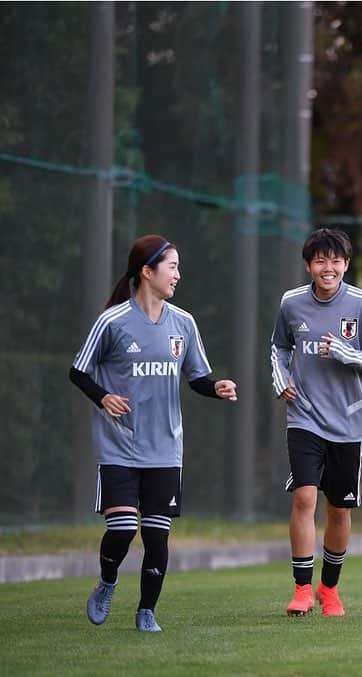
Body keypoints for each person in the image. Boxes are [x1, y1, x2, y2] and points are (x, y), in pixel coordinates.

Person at [70, 234, 237, 632]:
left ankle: (147, 611)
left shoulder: (184, 323)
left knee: (157, 536)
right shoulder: (111, 321)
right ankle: (107, 581)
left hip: (166, 449)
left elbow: (197, 377)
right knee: (123, 530)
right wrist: (103, 397)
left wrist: (215, 387)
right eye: (172, 266)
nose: (178, 274)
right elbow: (78, 371)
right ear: (147, 272)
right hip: (119, 447)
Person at [270, 228, 362, 617]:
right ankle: (302, 589)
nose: (328, 268)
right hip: (304, 417)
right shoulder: (291, 303)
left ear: (346, 264)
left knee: (339, 509)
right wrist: (280, 380)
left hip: (348, 423)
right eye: (320, 260)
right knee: (304, 496)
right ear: (308, 265)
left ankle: (329, 589)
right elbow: (279, 346)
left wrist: (344, 352)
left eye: (335, 260)